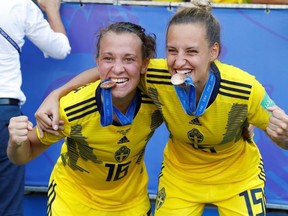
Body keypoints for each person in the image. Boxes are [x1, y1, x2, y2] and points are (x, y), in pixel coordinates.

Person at [34, 2, 288, 216]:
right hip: (181, 178)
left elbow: (281, 130)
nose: (178, 62)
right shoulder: (156, 73)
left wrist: (283, 137)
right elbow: (110, 70)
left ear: (214, 52)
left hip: (238, 177)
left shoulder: (245, 88)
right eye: (171, 51)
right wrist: (56, 94)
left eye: (191, 51)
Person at [8, 21, 163, 216]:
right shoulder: (72, 108)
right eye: (108, 58)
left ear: (145, 64)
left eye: (129, 59)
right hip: (74, 201)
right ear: (98, 62)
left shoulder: (158, 98)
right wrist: (15, 142)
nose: (117, 68)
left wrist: (58, 91)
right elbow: (24, 154)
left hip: (130, 204)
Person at [0, 0, 71, 215]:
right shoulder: (20, 5)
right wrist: (52, 9)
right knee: (7, 204)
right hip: (5, 112)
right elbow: (60, 49)